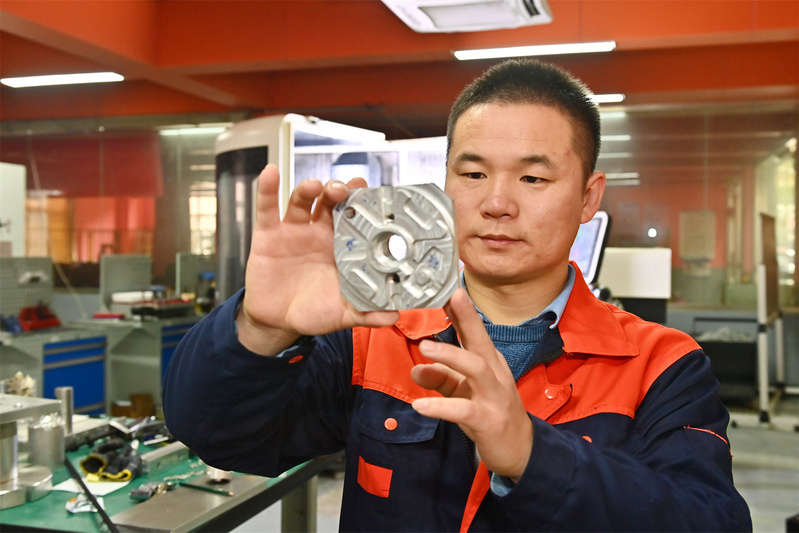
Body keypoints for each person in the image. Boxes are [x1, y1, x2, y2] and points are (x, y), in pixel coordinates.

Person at [163, 59, 751, 531]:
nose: (496, 203)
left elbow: (710, 519)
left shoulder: (661, 366)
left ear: (588, 197)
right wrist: (262, 329)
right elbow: (217, 437)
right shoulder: (373, 337)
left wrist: (532, 455)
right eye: (472, 174)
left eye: (533, 178)